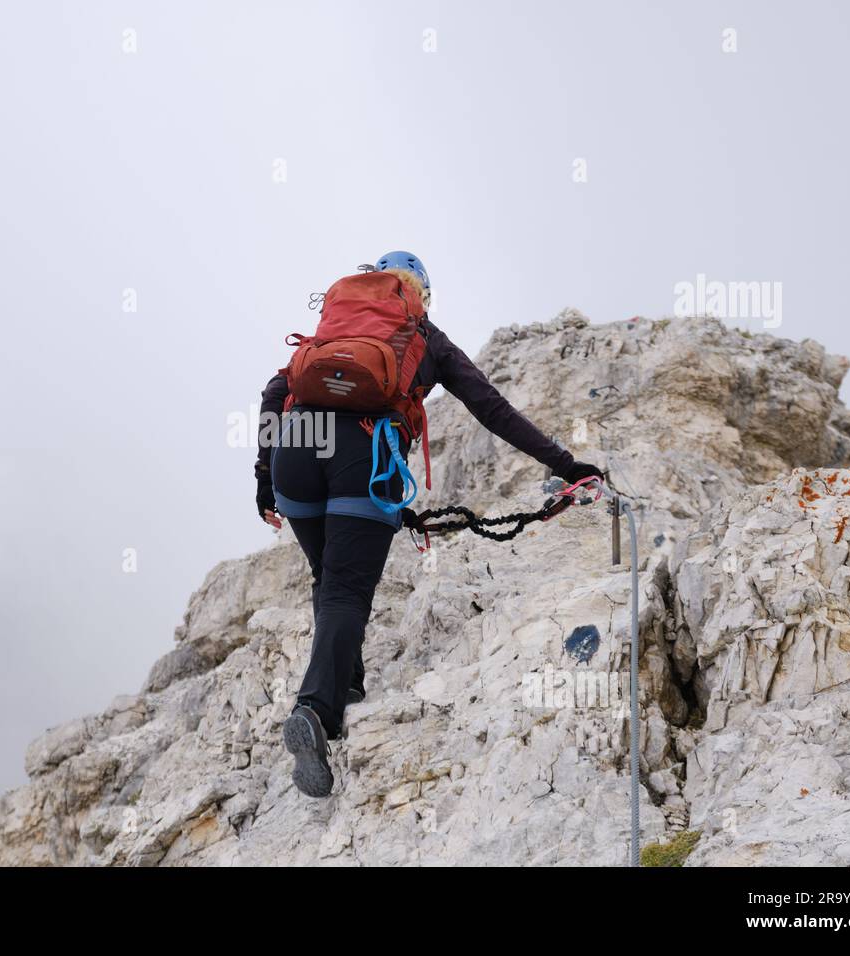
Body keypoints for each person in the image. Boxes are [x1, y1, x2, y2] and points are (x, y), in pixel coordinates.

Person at [255, 252, 605, 798]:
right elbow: (492, 408)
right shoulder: (422, 334)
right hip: (362, 450)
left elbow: (277, 391)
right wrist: (566, 464)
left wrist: (263, 477)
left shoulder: (335, 324)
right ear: (421, 294)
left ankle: (345, 691)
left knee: (329, 575)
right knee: (347, 590)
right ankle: (315, 713)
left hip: (295, 450)